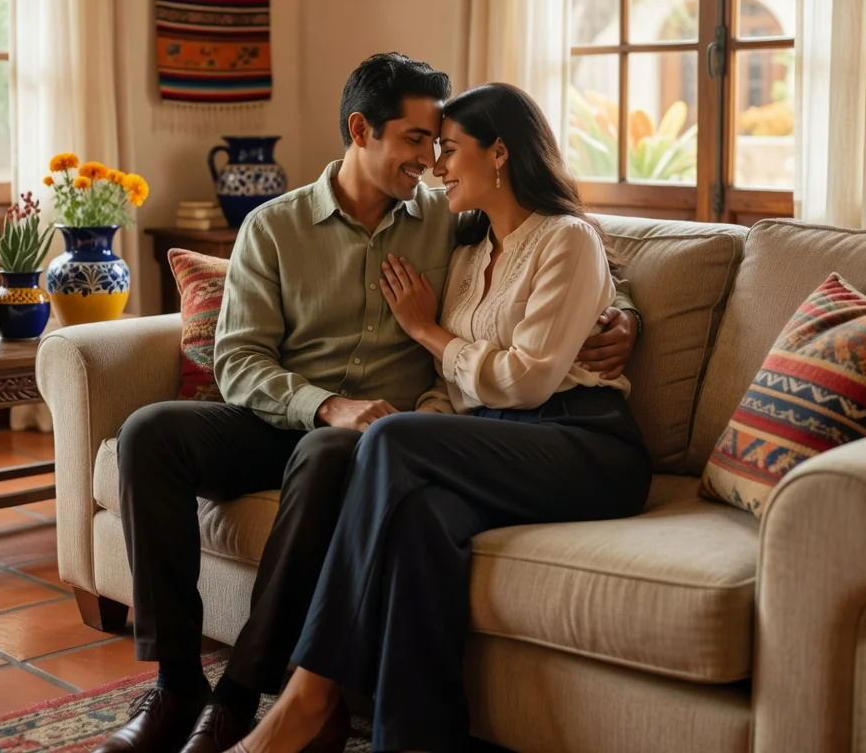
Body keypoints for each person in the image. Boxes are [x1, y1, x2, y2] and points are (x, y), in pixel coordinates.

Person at [95, 57, 641, 753]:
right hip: (290, 416)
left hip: (379, 435)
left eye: (442, 143)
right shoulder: (274, 226)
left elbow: (567, 255)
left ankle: (247, 698)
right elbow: (236, 361)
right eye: (418, 139)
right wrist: (324, 404)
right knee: (149, 433)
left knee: (351, 455)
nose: (431, 159)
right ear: (361, 129)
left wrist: (625, 317)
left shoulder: (450, 222)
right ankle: (177, 686)